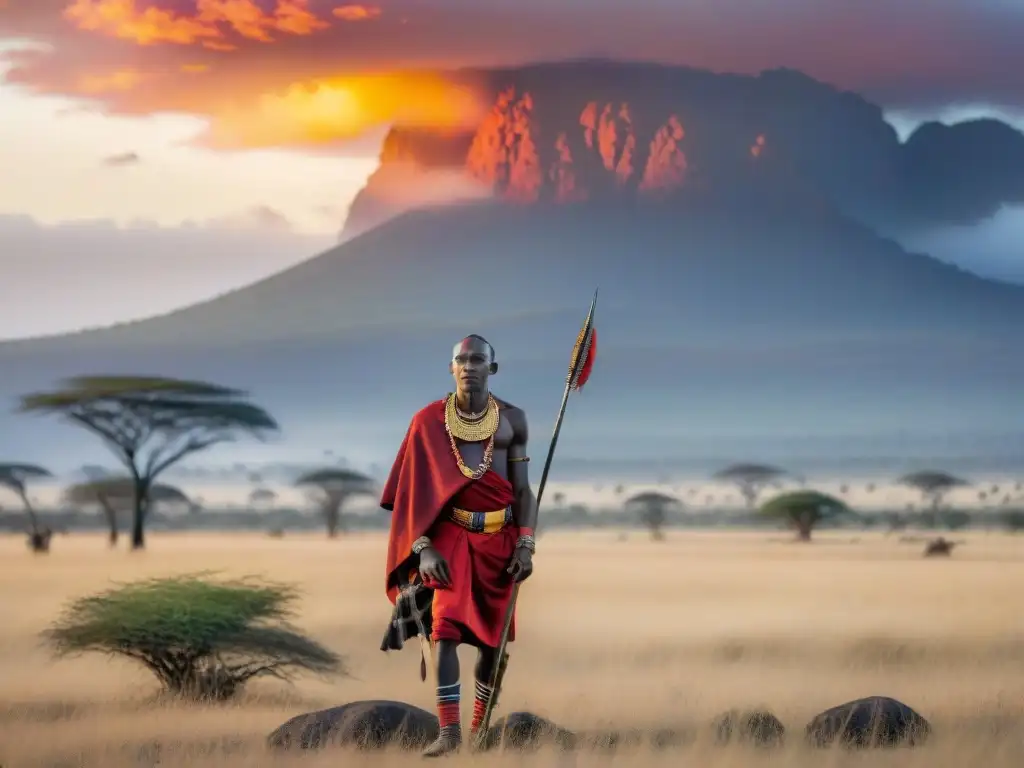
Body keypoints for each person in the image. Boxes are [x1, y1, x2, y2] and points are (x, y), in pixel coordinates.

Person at [379, 334, 537, 756]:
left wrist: (526, 545)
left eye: (478, 359)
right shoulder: (428, 421)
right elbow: (412, 497)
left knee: (493, 643)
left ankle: (480, 731)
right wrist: (423, 548)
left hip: (501, 542)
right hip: (449, 540)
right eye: (461, 360)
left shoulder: (513, 421)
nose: (469, 366)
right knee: (444, 629)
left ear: (493, 369)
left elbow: (523, 492)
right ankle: (449, 734)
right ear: (451, 368)